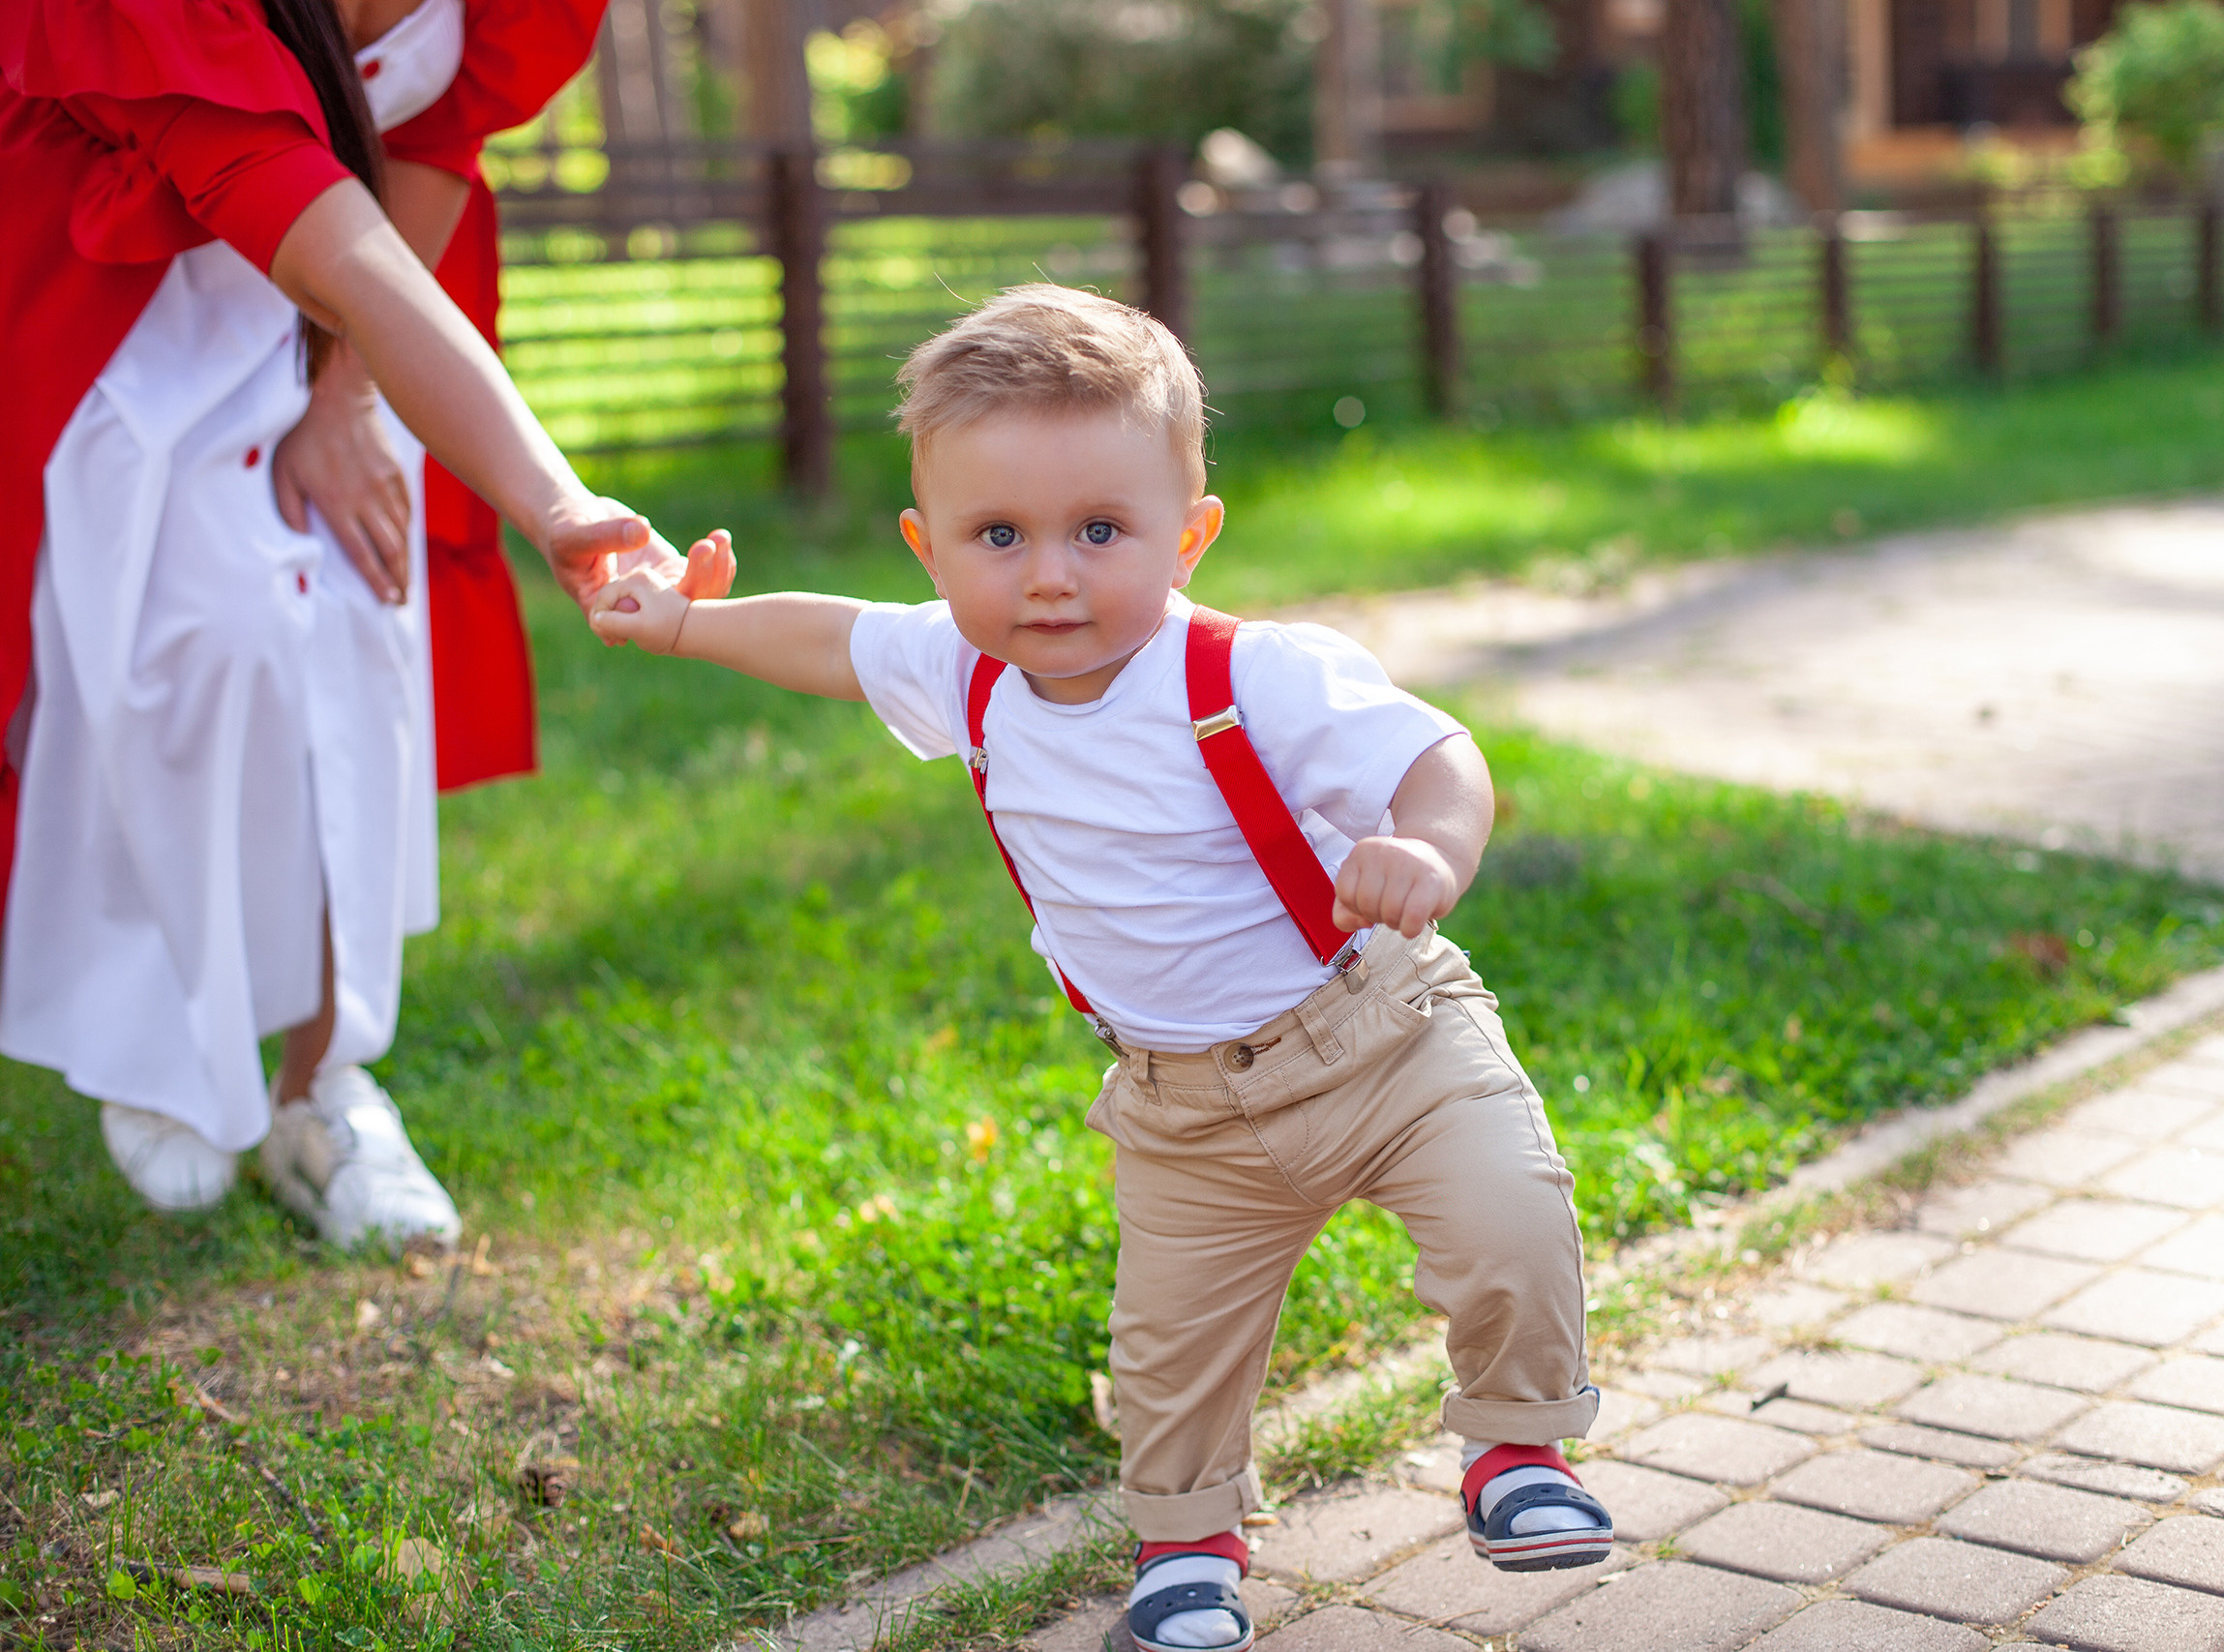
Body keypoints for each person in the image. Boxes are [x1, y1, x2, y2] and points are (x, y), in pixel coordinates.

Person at [586, 284, 1607, 1652]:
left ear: (1188, 535)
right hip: (1185, 1105)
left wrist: (1427, 842)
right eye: (997, 535)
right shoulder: (966, 669)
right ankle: (1188, 1542)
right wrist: (681, 622)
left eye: (1101, 531)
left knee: (1509, 1216)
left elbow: (1438, 754)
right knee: (1170, 1351)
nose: (1050, 575)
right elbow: (828, 636)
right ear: (928, 545)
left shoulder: (1255, 671)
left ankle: (1518, 1446)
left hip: (1383, 1037)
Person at [0, 0, 730, 1243]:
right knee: (194, 651)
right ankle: (165, 1028)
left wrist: (340, 400)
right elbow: (317, 224)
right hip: (124, 310)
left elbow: (433, 143)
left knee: (359, 646)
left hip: (361, 328)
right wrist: (550, 494)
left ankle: (323, 1084)